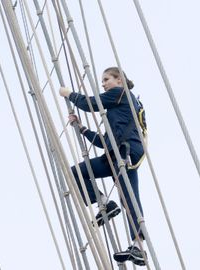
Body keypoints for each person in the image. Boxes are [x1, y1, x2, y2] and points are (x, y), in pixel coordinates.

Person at [59, 67, 147, 266]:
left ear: (119, 80)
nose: (103, 83)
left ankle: (139, 245)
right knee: (77, 172)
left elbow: (90, 104)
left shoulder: (121, 94)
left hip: (126, 153)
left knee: (129, 196)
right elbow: (104, 142)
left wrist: (68, 94)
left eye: (107, 79)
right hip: (114, 153)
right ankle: (105, 203)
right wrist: (82, 129)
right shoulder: (117, 111)